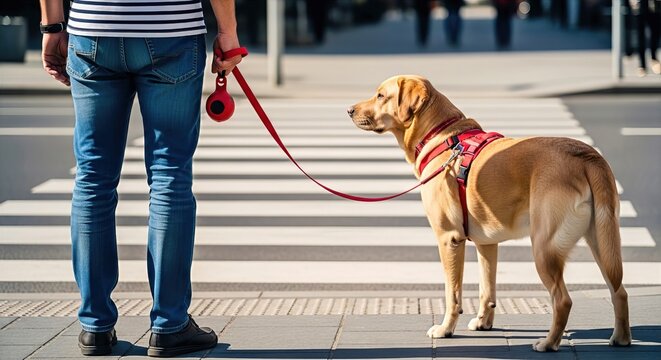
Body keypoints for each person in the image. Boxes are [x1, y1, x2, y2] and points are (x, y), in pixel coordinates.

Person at [38, 0, 243, 357]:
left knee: (92, 178)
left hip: (93, 30)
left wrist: (52, 27)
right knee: (170, 177)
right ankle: (169, 325)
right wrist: (227, 30)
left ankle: (95, 326)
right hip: (171, 31)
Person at [630, 0, 660, 76]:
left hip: (654, 4)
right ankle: (642, 65)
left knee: (655, 33)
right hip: (639, 4)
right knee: (640, 36)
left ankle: (654, 59)